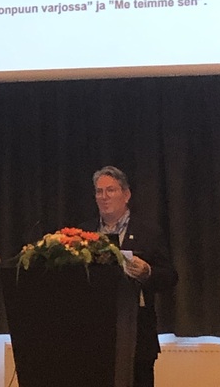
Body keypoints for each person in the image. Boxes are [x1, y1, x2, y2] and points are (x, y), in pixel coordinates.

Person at [80, 166, 177, 387]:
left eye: (110, 190)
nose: (104, 197)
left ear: (126, 194)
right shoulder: (84, 233)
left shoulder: (148, 232)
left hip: (137, 333)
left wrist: (147, 272)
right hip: (95, 334)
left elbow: (170, 277)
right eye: (99, 191)